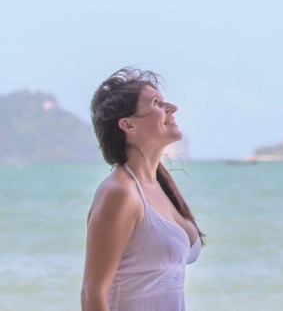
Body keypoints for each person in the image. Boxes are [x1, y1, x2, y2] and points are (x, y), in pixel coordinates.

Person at [82, 68, 203, 311]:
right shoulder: (121, 192)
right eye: (156, 103)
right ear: (128, 125)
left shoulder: (160, 186)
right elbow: (92, 293)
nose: (172, 108)